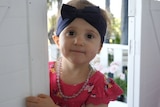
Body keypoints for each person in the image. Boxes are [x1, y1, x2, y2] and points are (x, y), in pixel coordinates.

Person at [26, 0, 123, 107]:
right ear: (57, 41)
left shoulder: (99, 84)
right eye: (71, 33)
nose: (79, 42)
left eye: (89, 36)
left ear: (99, 47)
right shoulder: (42, 72)